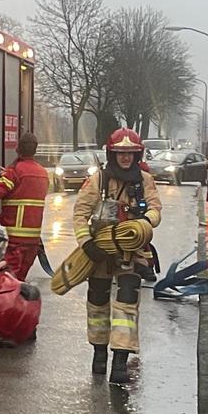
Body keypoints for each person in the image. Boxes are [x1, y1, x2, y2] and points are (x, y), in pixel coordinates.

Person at [73, 128, 162, 385]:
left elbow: (156, 209)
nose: (126, 158)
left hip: (131, 253)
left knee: (127, 303)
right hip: (100, 252)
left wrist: (144, 222)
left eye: (130, 153)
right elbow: (80, 214)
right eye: (121, 153)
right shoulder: (98, 180)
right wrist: (87, 243)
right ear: (112, 154)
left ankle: (120, 361)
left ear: (137, 155)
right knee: (97, 302)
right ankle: (99, 353)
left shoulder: (145, 180)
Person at [0, 132, 50, 280]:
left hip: (14, 240)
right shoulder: (43, 173)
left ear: (18, 149)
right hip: (33, 241)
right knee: (19, 280)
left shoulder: (15, 171)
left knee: (8, 282)